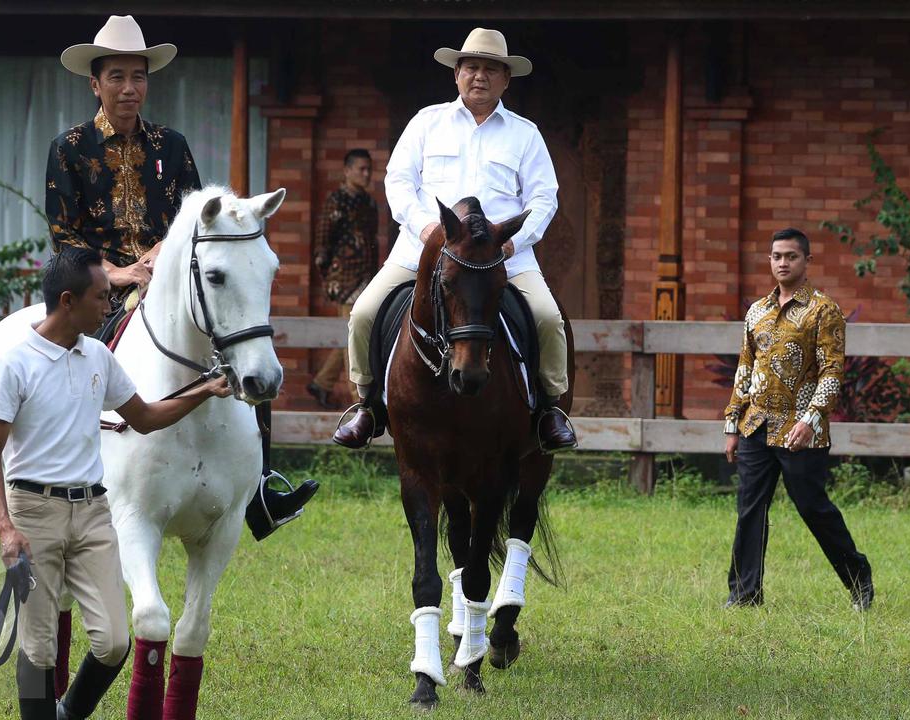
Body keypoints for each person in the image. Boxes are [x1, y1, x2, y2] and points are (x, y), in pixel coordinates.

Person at [46, 14, 313, 537]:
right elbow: (64, 234)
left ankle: (258, 489)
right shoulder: (69, 147)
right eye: (117, 76)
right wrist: (119, 272)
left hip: (171, 281)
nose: (129, 88)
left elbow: (194, 219)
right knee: (68, 364)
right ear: (95, 83)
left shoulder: (172, 145)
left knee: (240, 349)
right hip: (96, 284)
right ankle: (68, 478)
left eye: (138, 76)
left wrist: (160, 260)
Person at [0, 249, 231, 720]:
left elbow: (145, 417)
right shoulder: (13, 364)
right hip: (35, 511)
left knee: (115, 641)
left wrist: (204, 391)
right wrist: (5, 528)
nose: (110, 307)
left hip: (94, 513)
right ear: (68, 301)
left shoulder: (98, 355)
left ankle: (69, 712)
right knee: (39, 648)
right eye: (102, 298)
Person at [331, 27, 577, 452]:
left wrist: (512, 243)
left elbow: (543, 197)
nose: (479, 76)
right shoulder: (426, 122)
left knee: (548, 319)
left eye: (490, 69)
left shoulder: (525, 133)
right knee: (364, 314)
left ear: (506, 79)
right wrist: (426, 229)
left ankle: (549, 411)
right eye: (471, 67)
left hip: (502, 258)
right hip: (423, 253)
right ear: (457, 74)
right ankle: (367, 405)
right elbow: (399, 181)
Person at [722, 228, 874, 610]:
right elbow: (745, 367)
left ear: (807, 261)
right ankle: (744, 594)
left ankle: (858, 577)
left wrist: (810, 420)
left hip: (801, 432)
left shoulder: (823, 310)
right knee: (750, 509)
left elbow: (832, 372)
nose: (783, 263)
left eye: (791, 256)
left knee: (812, 507)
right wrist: (732, 425)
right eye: (776, 256)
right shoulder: (756, 311)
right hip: (756, 426)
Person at [309, 148, 379, 409]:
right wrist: (330, 276)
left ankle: (322, 383)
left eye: (368, 169)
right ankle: (357, 401)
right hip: (344, 279)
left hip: (367, 278)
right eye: (361, 168)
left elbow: (373, 244)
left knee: (350, 333)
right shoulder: (335, 201)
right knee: (352, 336)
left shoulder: (369, 204)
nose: (366, 173)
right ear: (347, 170)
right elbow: (322, 243)